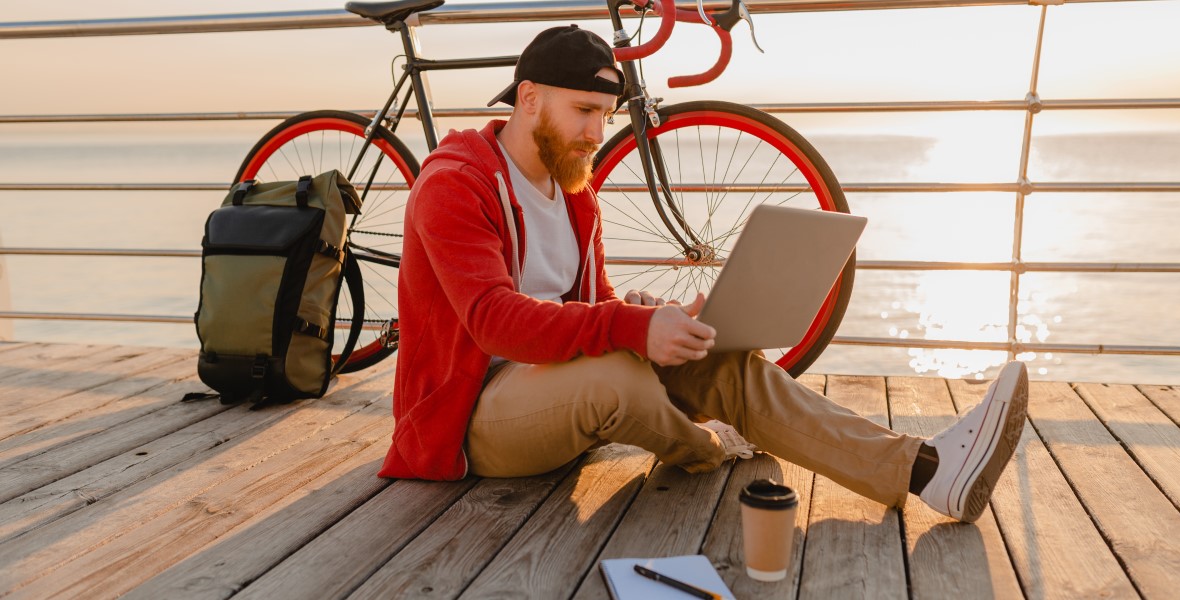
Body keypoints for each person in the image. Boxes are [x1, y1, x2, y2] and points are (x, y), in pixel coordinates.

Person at [378, 25, 1029, 523]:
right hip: (473, 422)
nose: (596, 131)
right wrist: (629, 328)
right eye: (583, 111)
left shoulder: (574, 190)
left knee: (727, 361)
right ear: (528, 99)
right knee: (621, 379)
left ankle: (928, 471)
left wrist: (654, 316)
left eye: (605, 115)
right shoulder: (456, 183)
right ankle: (707, 446)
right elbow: (496, 322)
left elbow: (589, 303)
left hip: (558, 388)